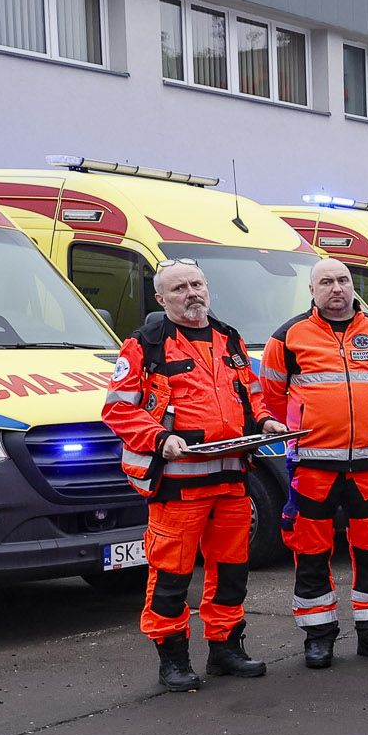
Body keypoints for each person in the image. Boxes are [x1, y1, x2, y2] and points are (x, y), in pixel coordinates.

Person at [102, 260, 288, 690]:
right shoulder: (143, 345)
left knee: (231, 571)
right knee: (171, 577)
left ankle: (225, 650)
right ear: (161, 298)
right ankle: (173, 659)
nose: (192, 293)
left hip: (232, 479)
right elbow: (117, 408)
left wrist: (265, 423)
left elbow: (251, 394)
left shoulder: (229, 338)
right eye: (180, 287)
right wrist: (158, 437)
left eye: (197, 284)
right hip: (178, 485)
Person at [261, 258, 368, 669]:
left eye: (343, 280)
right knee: (310, 551)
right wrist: (312, 422)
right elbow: (272, 396)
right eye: (325, 281)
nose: (336, 288)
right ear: (312, 290)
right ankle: (319, 636)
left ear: (353, 286)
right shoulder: (288, 337)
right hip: (312, 465)